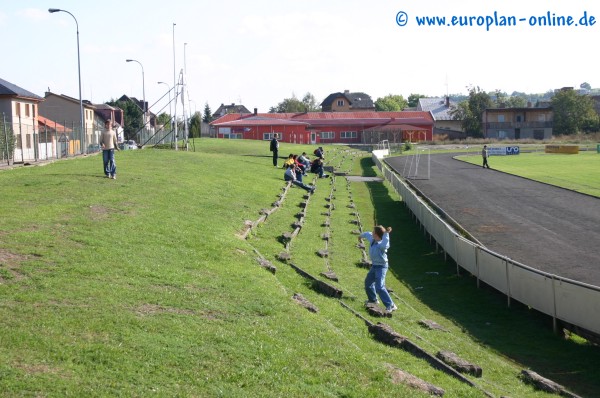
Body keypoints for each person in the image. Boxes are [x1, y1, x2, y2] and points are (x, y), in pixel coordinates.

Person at [361, 226, 397, 313]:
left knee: (379, 287)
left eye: (373, 232)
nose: (371, 233)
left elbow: (386, 243)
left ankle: (391, 305)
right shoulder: (372, 239)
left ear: (376, 235)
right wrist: (360, 236)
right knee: (368, 283)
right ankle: (373, 300)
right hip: (374, 266)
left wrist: (386, 233)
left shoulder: (381, 245)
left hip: (381, 267)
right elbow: (367, 234)